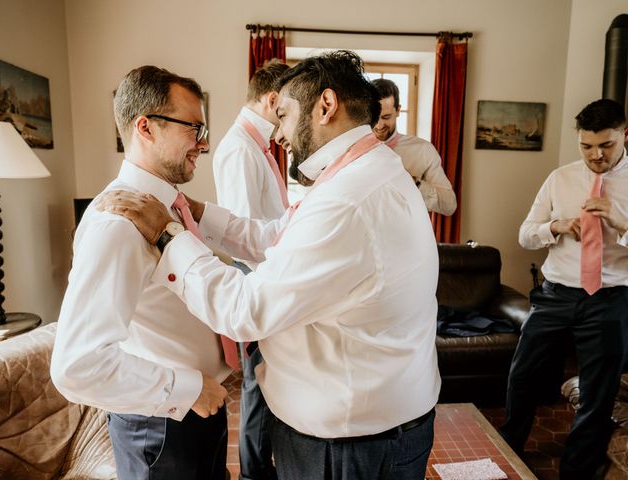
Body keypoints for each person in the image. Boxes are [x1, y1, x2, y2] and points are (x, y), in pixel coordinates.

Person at [99, 50, 441, 480]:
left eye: (283, 115)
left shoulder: (348, 200)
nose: (279, 132)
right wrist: (199, 214)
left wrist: (170, 236)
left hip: (349, 445)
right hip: (374, 421)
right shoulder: (368, 170)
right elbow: (280, 235)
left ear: (326, 106)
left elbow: (246, 312)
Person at [51, 65, 232, 480]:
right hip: (164, 426)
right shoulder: (117, 225)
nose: (203, 144)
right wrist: (188, 390)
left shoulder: (171, 208)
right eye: (193, 128)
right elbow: (76, 364)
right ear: (145, 127)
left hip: (198, 408)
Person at [500, 98, 628, 480]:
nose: (596, 155)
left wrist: (621, 222)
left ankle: (575, 470)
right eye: (587, 146)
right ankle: (508, 447)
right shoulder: (560, 178)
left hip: (611, 298)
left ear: (625, 135)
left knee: (597, 391)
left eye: (606, 145)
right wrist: (555, 227)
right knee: (522, 375)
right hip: (556, 294)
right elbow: (525, 234)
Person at [213, 59, 289, 480]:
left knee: (267, 379)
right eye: (289, 106)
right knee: (257, 384)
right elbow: (242, 233)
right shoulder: (240, 148)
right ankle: (253, 474)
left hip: (267, 273)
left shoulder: (257, 145)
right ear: (273, 99)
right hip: (255, 277)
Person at [371, 78, 456, 216]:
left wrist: (415, 184)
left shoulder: (423, 150)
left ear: (398, 110)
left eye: (386, 117)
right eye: (374, 117)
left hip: (407, 235)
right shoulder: (352, 149)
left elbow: (449, 206)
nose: (379, 125)